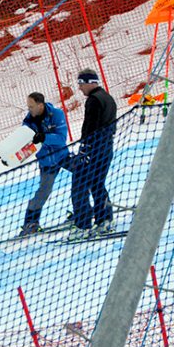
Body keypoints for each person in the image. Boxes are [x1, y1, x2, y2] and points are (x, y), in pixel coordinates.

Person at [70, 69, 117, 238]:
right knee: (98, 183)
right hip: (106, 147)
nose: (80, 88)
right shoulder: (107, 97)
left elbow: (91, 126)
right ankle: (105, 219)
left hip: (95, 147)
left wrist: (85, 148)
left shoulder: (94, 100)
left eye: (81, 84)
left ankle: (84, 225)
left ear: (90, 82)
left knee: (83, 184)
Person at [19, 92, 70, 236]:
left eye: (31, 106)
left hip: (62, 156)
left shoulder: (56, 114)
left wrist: (44, 138)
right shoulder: (28, 122)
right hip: (46, 161)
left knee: (84, 174)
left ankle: (83, 209)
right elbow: (25, 145)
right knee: (44, 191)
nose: (29, 110)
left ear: (40, 105)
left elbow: (61, 139)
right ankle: (30, 223)